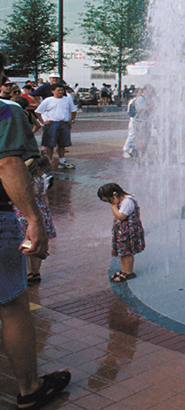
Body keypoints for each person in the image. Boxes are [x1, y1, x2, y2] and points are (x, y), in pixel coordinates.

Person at [0, 61, 71, 408]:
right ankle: (30, 387)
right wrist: (33, 218)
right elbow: (8, 165)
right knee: (12, 306)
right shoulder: (6, 113)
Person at [14, 156, 55, 286]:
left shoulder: (22, 178)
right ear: (38, 168)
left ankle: (28, 272)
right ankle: (36, 272)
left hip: (23, 211)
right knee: (37, 243)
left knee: (26, 241)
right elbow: (43, 195)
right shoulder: (42, 179)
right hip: (40, 211)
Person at [99, 183, 145, 282]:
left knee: (127, 252)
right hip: (123, 232)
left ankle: (129, 272)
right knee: (122, 252)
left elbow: (121, 216)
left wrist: (113, 208)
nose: (110, 204)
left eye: (109, 200)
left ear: (114, 195)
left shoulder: (127, 202)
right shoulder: (123, 200)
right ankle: (124, 270)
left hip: (128, 232)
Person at [33, 84, 77, 170]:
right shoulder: (48, 100)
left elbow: (73, 110)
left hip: (64, 123)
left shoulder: (67, 99)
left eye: (61, 90)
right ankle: (48, 162)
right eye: (58, 90)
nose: (60, 92)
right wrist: (43, 122)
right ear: (53, 91)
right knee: (50, 145)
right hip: (52, 124)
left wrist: (72, 120)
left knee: (62, 144)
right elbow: (38, 111)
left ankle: (62, 161)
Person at [123, 85, 152, 159]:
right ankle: (126, 151)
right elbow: (139, 111)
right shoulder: (135, 100)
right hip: (135, 120)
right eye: (139, 92)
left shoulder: (143, 99)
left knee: (139, 138)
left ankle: (134, 150)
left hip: (139, 120)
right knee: (132, 137)